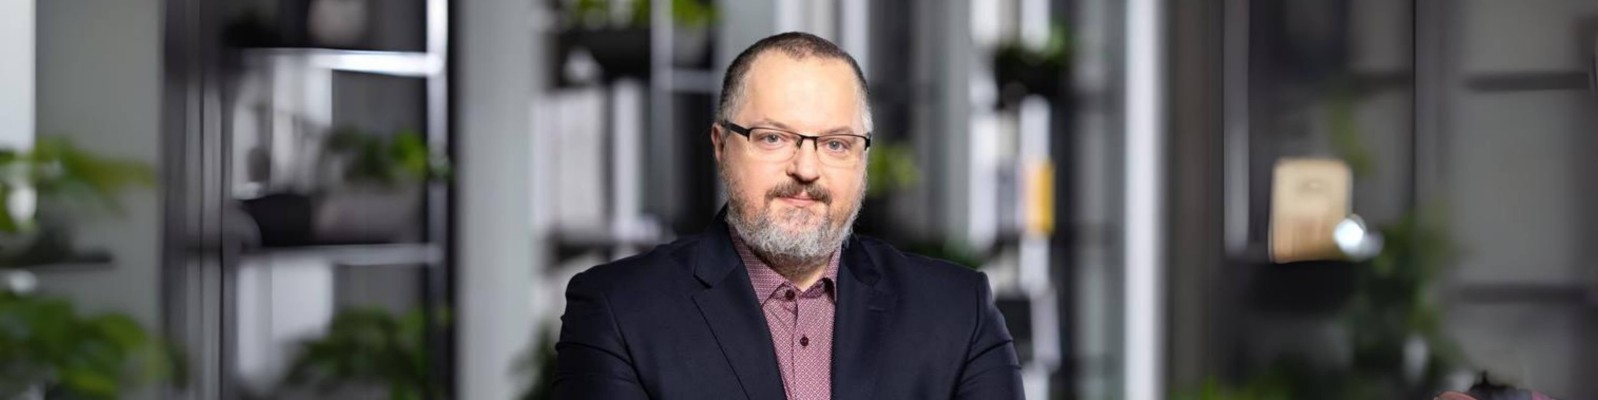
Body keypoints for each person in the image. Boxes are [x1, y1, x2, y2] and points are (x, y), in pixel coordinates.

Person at [552, 32, 1024, 400]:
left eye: (836, 144)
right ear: (720, 146)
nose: (805, 169)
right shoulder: (620, 311)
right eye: (773, 137)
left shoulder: (958, 312)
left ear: (863, 159)